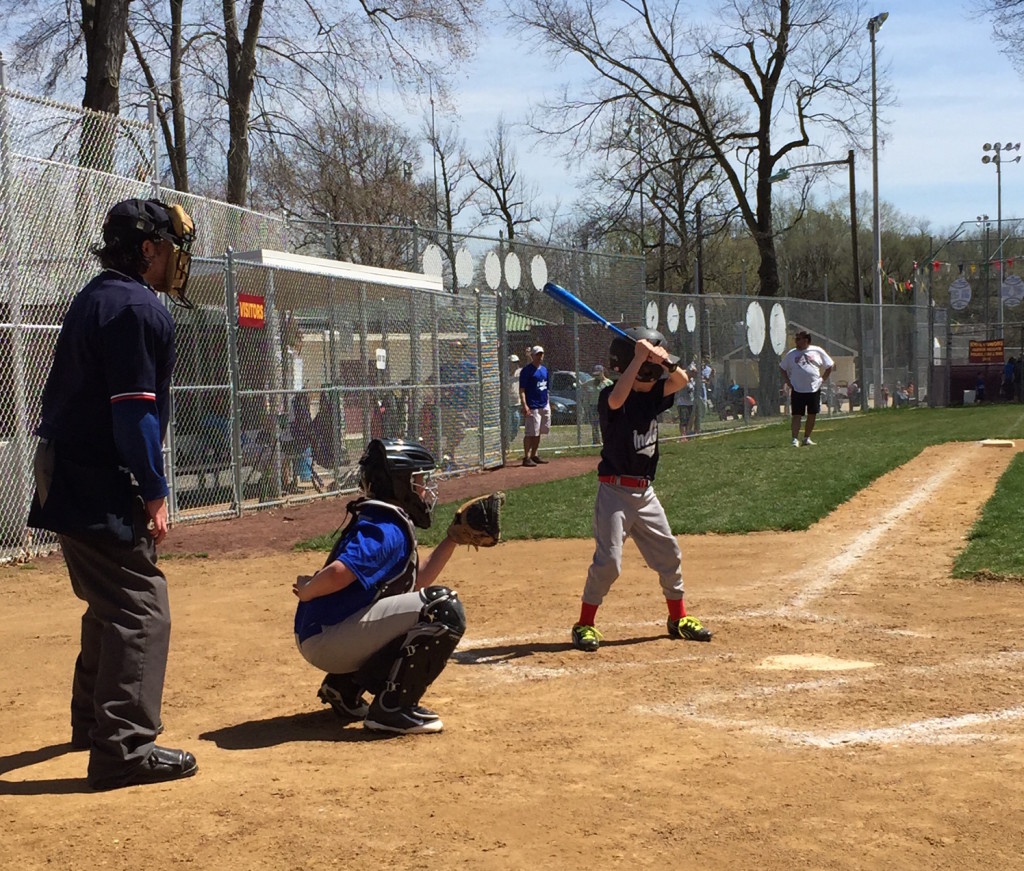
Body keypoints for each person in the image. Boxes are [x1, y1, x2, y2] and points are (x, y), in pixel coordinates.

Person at [26, 198, 199, 790]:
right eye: (171, 249)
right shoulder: (134, 308)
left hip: (68, 465)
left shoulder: (95, 296)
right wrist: (153, 490)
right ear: (148, 249)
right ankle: (123, 748)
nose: (178, 261)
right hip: (96, 472)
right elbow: (135, 415)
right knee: (139, 604)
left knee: (109, 597)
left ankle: (93, 723)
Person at [293, 438, 466, 734]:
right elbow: (340, 572)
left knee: (417, 607)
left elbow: (417, 581)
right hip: (329, 639)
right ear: (398, 484)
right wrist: (309, 589)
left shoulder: (385, 520)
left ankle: (344, 687)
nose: (424, 489)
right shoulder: (386, 529)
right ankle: (392, 709)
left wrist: (452, 538)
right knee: (441, 608)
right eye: (418, 481)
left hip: (328, 634)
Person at [570, 328, 713, 653]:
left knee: (669, 554)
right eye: (649, 369)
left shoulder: (653, 396)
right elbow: (620, 397)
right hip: (614, 493)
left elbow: (682, 382)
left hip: (645, 493)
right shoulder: (611, 397)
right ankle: (584, 624)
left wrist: (666, 363)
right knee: (609, 564)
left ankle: (678, 619)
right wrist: (640, 358)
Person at [779, 329, 834, 447]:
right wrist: (788, 382)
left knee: (812, 414)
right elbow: (782, 368)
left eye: (799, 339)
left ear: (806, 340)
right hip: (797, 389)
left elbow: (829, 365)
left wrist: (822, 379)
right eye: (796, 339)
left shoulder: (817, 351)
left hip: (813, 388)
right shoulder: (792, 354)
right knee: (797, 415)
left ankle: (806, 438)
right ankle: (794, 439)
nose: (796, 341)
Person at [518, 345, 551, 466]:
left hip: (543, 404)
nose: (540, 357)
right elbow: (522, 390)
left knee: (539, 431)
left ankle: (534, 455)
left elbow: (546, 388)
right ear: (532, 356)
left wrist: (548, 402)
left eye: (541, 354)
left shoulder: (544, 370)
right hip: (533, 406)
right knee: (531, 433)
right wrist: (525, 405)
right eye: (537, 354)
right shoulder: (526, 371)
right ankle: (526, 457)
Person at [581, 363, 613, 444]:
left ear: (602, 373)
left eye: (598, 375)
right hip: (594, 405)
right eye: (595, 375)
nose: (596, 377)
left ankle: (606, 440)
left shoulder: (608, 382)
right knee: (594, 424)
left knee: (605, 424)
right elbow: (583, 385)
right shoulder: (592, 382)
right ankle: (596, 441)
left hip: (605, 406)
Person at [674, 363, 697, 437]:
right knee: (683, 420)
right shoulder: (683, 378)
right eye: (692, 372)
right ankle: (683, 436)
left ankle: (687, 433)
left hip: (690, 402)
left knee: (689, 420)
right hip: (682, 402)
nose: (693, 374)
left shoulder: (692, 380)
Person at [506, 354, 522, 451]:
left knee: (516, 422)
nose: (514, 365)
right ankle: (506, 445)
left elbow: (530, 368)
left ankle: (510, 440)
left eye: (516, 363)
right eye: (512, 363)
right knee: (508, 425)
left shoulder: (520, 372)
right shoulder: (505, 373)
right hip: (507, 404)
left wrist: (528, 356)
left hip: (516, 403)